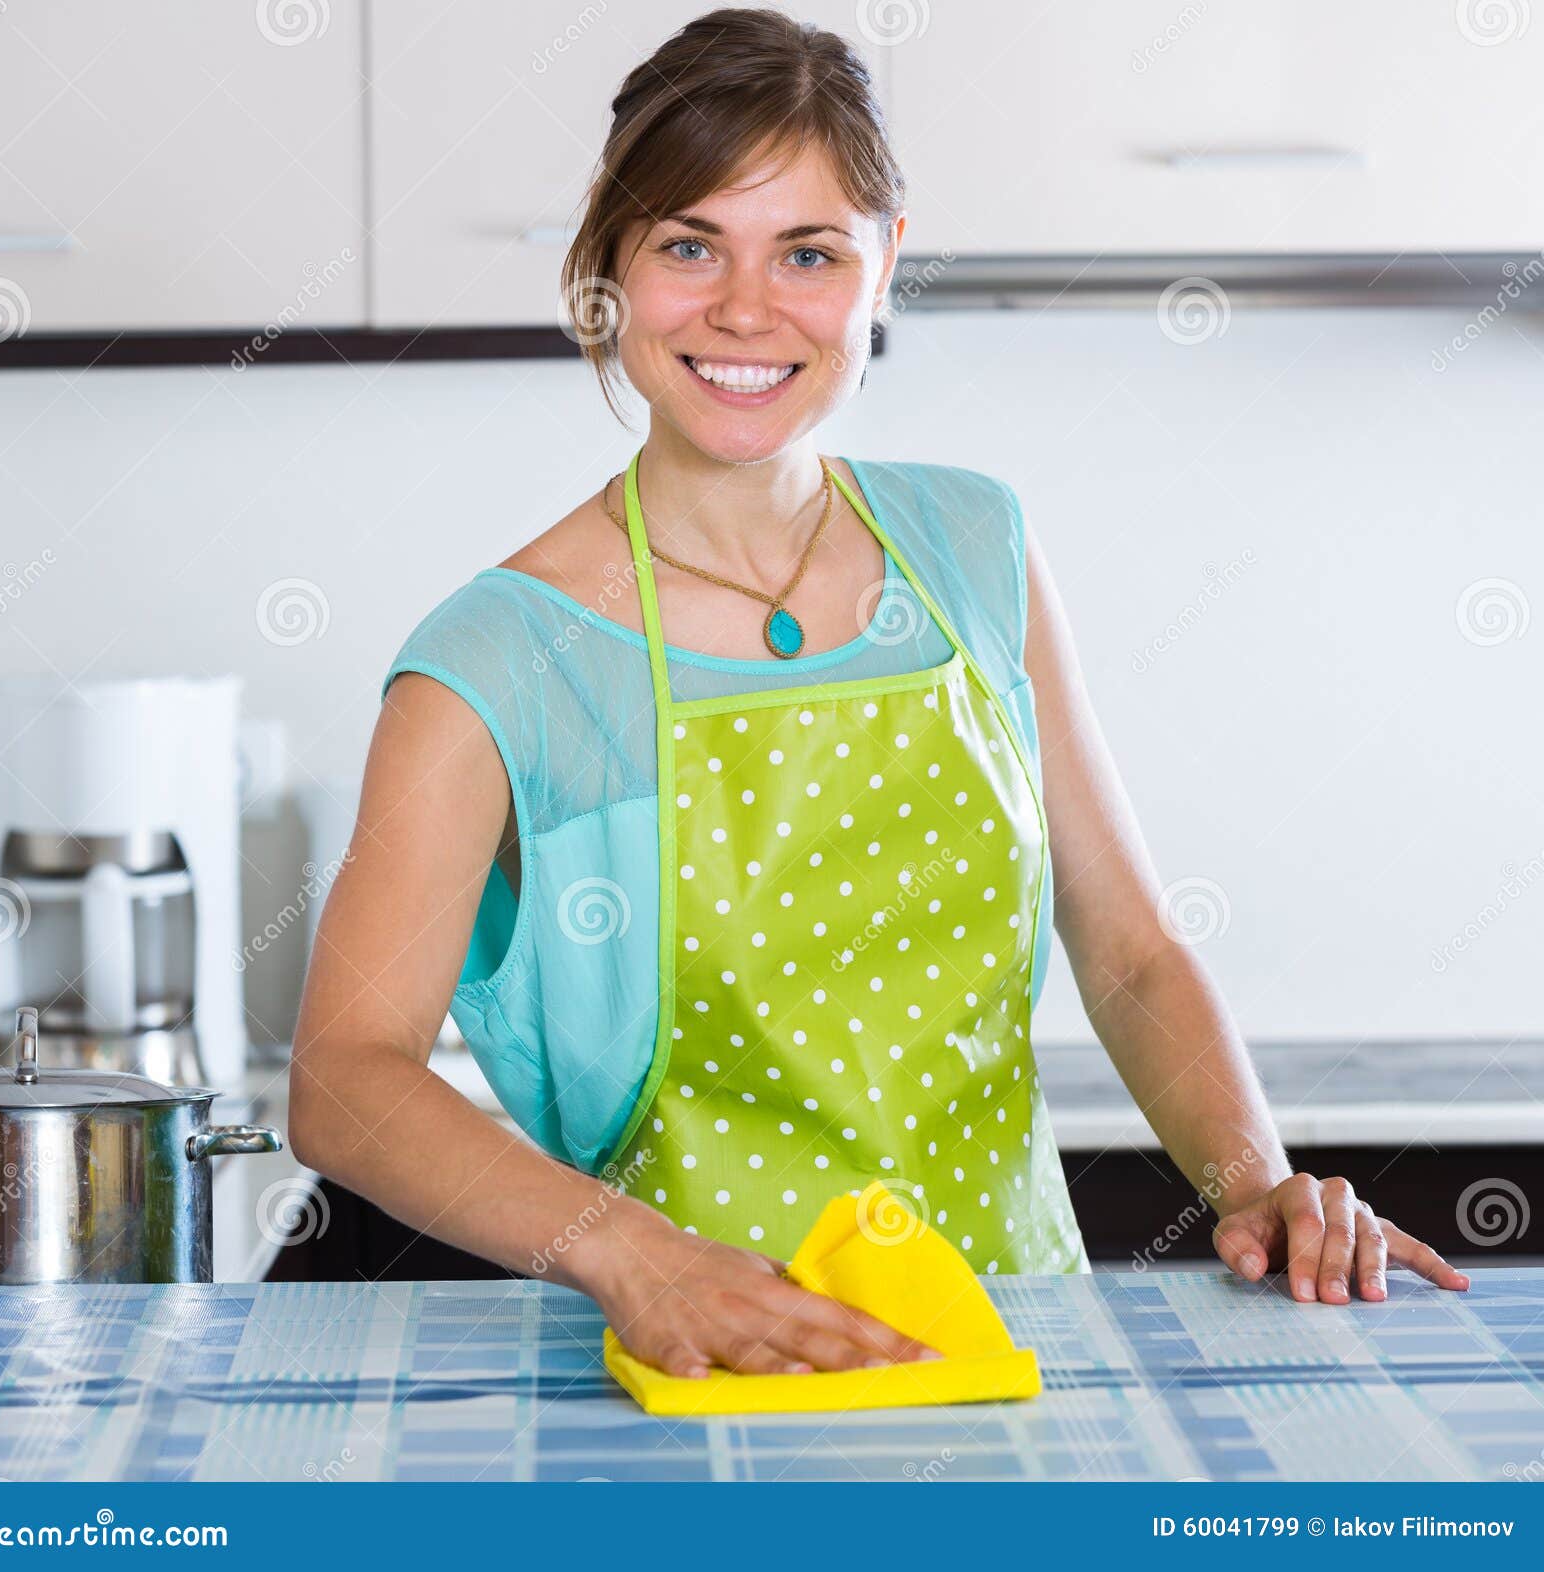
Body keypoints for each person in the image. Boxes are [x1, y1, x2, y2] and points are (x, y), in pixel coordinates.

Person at [288, 7, 1467, 1381]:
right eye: (687, 245)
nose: (744, 309)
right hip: (697, 1383)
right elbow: (346, 1075)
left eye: (808, 253)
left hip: (1014, 1353)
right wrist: (637, 1258)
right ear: (606, 267)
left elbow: (1132, 951)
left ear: (883, 265)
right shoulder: (500, 659)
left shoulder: (975, 551)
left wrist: (1257, 1179)